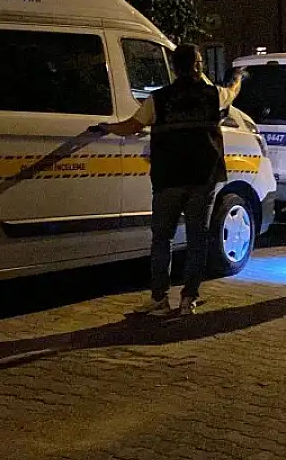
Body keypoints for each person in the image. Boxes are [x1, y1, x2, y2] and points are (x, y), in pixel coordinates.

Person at [90, 44, 245, 315]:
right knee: (197, 239)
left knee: (162, 239)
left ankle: (159, 298)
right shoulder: (213, 95)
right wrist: (239, 78)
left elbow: (131, 126)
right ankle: (188, 298)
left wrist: (106, 128)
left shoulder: (158, 99)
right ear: (197, 66)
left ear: (173, 67)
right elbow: (232, 92)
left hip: (168, 178)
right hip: (202, 178)